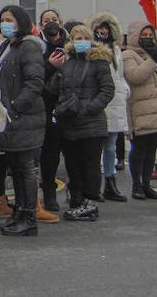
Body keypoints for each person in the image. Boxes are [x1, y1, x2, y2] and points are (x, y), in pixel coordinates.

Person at [0, 5, 45, 237]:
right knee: (16, 168)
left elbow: (34, 83)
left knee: (26, 169)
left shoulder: (28, 47)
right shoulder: (6, 46)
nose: (4, 23)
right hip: (8, 117)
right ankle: (18, 213)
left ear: (20, 22)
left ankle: (29, 217)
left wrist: (14, 109)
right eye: (2, 20)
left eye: (9, 19)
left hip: (23, 117)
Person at [49, 23, 114, 220]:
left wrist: (88, 108)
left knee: (90, 164)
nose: (81, 42)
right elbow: (56, 89)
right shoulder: (67, 62)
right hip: (70, 122)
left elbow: (107, 90)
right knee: (72, 164)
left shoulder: (99, 62)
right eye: (77, 38)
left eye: (85, 38)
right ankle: (76, 198)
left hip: (92, 123)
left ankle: (90, 201)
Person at [123, 22, 157, 199]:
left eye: (151, 35)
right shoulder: (128, 55)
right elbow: (136, 76)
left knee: (152, 150)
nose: (148, 38)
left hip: (156, 110)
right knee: (139, 149)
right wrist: (152, 60)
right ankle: (136, 185)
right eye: (144, 35)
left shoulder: (156, 56)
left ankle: (147, 183)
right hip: (139, 110)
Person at [90, 12, 130, 203]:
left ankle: (110, 182)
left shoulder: (116, 51)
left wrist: (124, 90)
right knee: (96, 147)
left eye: (105, 28)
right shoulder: (91, 51)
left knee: (111, 147)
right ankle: (95, 184)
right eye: (99, 29)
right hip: (99, 103)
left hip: (115, 103)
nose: (102, 32)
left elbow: (120, 76)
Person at [36, 9, 68, 221]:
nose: (50, 24)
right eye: (46, 21)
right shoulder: (37, 47)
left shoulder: (70, 44)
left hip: (67, 104)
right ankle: (48, 191)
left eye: (53, 20)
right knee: (48, 153)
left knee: (66, 153)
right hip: (45, 105)